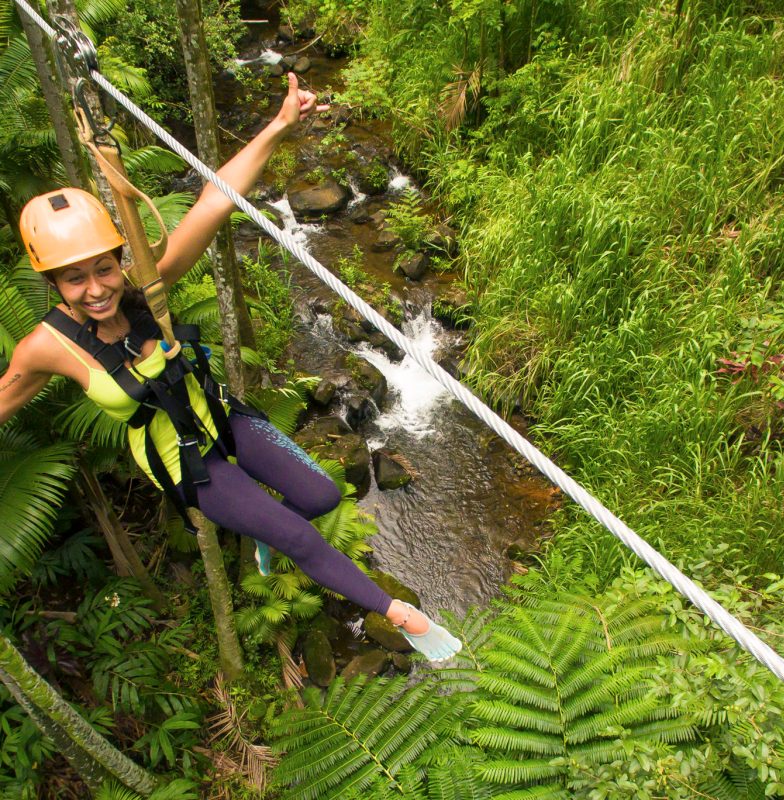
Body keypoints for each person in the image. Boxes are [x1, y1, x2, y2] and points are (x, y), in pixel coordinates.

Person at [0, 74, 461, 663]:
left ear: (120, 258)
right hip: (187, 463)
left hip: (223, 417)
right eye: (73, 277)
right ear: (51, 282)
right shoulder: (45, 347)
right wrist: (393, 607)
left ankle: (268, 535)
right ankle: (404, 618)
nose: (95, 290)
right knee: (297, 535)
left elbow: (214, 201)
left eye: (103, 269)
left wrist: (278, 126)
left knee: (321, 496)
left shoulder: (148, 287)